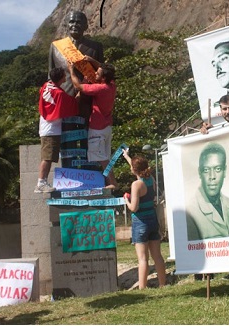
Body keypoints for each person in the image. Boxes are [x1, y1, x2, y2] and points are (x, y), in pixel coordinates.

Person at [49, 10, 104, 167]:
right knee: (67, 138)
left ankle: (91, 172)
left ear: (86, 26)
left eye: (79, 22)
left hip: (88, 100)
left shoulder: (96, 47)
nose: (75, 25)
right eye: (72, 22)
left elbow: (102, 74)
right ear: (66, 25)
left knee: (89, 136)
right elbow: (50, 77)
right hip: (65, 100)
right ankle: (69, 173)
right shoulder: (56, 47)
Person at [68, 57, 118, 189]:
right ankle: (111, 182)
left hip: (98, 127)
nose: (95, 73)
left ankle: (112, 183)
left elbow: (77, 86)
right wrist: (91, 60)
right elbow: (105, 68)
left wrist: (71, 70)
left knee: (101, 157)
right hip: (107, 126)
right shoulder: (111, 85)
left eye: (97, 73)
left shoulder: (99, 89)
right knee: (105, 156)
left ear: (103, 78)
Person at [122, 149, 167, 289]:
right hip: (153, 220)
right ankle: (162, 284)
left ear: (134, 170)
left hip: (140, 222)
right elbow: (137, 167)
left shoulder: (136, 185)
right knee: (157, 256)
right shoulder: (150, 179)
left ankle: (142, 288)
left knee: (142, 258)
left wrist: (126, 200)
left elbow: (134, 208)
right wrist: (127, 156)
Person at [186, 142, 229, 241]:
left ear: (225, 171)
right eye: (206, 170)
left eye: (218, 169)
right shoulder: (190, 212)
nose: (212, 176)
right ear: (199, 172)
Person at [35, 67, 78, 193]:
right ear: (61, 78)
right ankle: (41, 183)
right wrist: (79, 94)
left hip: (45, 125)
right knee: (47, 158)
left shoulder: (47, 85)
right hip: (51, 129)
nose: (66, 78)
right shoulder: (58, 94)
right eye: (64, 76)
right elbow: (72, 104)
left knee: (47, 156)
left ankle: (41, 182)